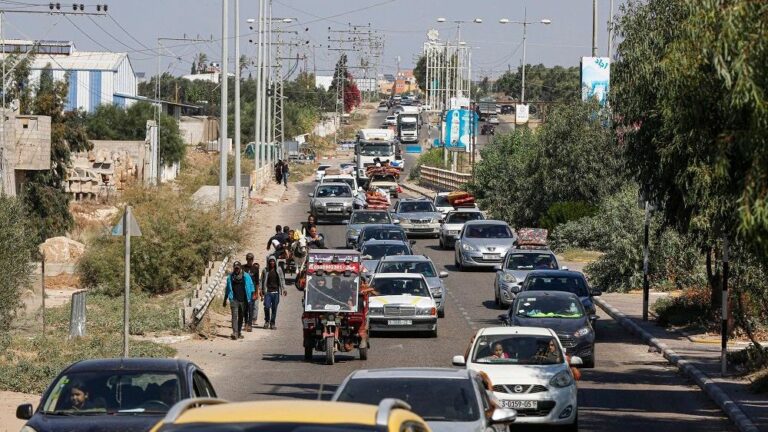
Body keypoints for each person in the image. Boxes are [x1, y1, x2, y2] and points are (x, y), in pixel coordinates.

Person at [223, 261, 256, 340]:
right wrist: (225, 299)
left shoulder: (246, 276)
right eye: (235, 268)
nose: (236, 269)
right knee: (234, 316)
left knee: (241, 316)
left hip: (243, 300)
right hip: (234, 299)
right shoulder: (230, 277)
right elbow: (227, 289)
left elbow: (251, 287)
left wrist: (252, 297)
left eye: (238, 268)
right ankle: (235, 332)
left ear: (240, 268)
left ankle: (239, 332)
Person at [261, 256, 287, 330]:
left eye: (273, 261)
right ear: (268, 262)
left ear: (275, 262)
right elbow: (261, 280)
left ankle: (272, 323)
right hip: (268, 292)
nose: (272, 262)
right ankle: (267, 321)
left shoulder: (278, 270)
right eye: (270, 261)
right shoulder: (265, 270)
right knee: (266, 306)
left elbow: (282, 279)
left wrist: (284, 289)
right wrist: (261, 290)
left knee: (274, 308)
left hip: (276, 292)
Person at [242, 253, 261, 331]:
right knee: (245, 309)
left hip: (252, 292)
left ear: (253, 260)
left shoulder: (255, 269)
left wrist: (256, 293)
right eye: (248, 259)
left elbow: (257, 282)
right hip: (244, 291)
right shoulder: (242, 268)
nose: (250, 261)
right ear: (246, 259)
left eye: (251, 259)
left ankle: (249, 325)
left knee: (251, 308)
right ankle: (246, 323)